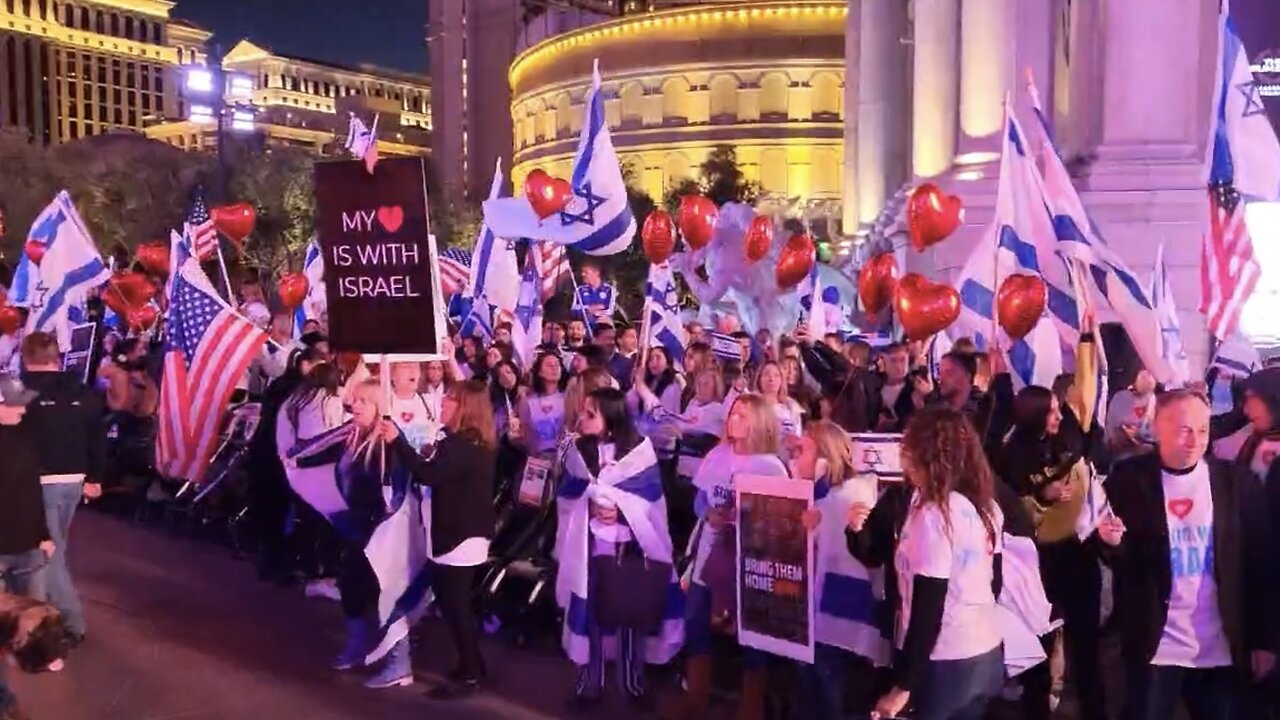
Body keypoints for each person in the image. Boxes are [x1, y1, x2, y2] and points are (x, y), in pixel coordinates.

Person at [1104, 389, 1276, 720]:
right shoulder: (1129, 480)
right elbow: (1122, 559)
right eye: (1184, 429)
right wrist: (1109, 543)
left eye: (1202, 430)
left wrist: (1265, 640)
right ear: (1157, 427)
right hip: (1156, 645)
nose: (1195, 440)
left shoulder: (1235, 482)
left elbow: (1261, 564)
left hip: (1220, 647)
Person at [867, 406, 1006, 720]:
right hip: (985, 651)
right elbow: (994, 584)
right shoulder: (987, 507)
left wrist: (902, 686)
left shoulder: (935, 516)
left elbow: (928, 607)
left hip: (947, 661)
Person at [288, 379, 427, 687]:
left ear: (380, 406)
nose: (356, 406)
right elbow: (313, 452)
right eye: (356, 400)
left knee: (387, 596)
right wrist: (293, 456)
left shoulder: (388, 442)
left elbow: (399, 488)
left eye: (365, 401)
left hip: (384, 533)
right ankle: (357, 644)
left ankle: (399, 662)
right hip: (355, 529)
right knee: (351, 588)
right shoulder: (350, 435)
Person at [555, 387, 681, 710]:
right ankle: (589, 685)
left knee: (628, 618)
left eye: (590, 414)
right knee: (591, 617)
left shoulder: (639, 451)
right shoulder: (577, 450)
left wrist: (622, 511)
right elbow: (568, 496)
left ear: (611, 417)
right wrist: (587, 506)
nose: (582, 418)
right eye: (583, 411)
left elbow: (652, 502)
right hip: (591, 548)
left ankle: (632, 684)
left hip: (628, 549)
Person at [672, 393, 789, 720]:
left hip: (750, 560)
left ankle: (750, 707)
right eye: (732, 413)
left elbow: (782, 517)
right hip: (709, 557)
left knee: (751, 634)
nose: (733, 419)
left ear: (759, 422)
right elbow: (698, 499)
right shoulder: (717, 455)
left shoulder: (771, 467)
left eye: (741, 415)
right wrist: (709, 512)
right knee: (695, 622)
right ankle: (695, 699)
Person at [379, 380, 497, 700]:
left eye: (450, 399)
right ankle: (472, 664)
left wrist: (398, 442)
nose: (442, 402)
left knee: (457, 607)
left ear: (465, 408)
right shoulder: (463, 442)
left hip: (460, 535)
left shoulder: (462, 445)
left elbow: (429, 475)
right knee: (450, 603)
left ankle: (472, 673)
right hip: (458, 533)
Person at [794, 421, 887, 718]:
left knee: (829, 697)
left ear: (824, 459)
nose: (795, 460)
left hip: (841, 618)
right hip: (834, 617)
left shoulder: (842, 500)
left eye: (803, 452)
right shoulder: (830, 498)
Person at [19, 332, 105, 648]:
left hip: (38, 484)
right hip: (73, 481)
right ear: (56, 357)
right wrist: (95, 478)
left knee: (45, 556)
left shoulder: (17, 391)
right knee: (53, 550)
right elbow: (97, 437)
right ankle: (42, 619)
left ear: (26, 357)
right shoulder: (84, 392)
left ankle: (69, 623)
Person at [0, 374, 53, 604]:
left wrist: (44, 535)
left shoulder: (25, 436)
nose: (23, 410)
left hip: (29, 548)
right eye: (16, 405)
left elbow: (32, 490)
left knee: (33, 618)